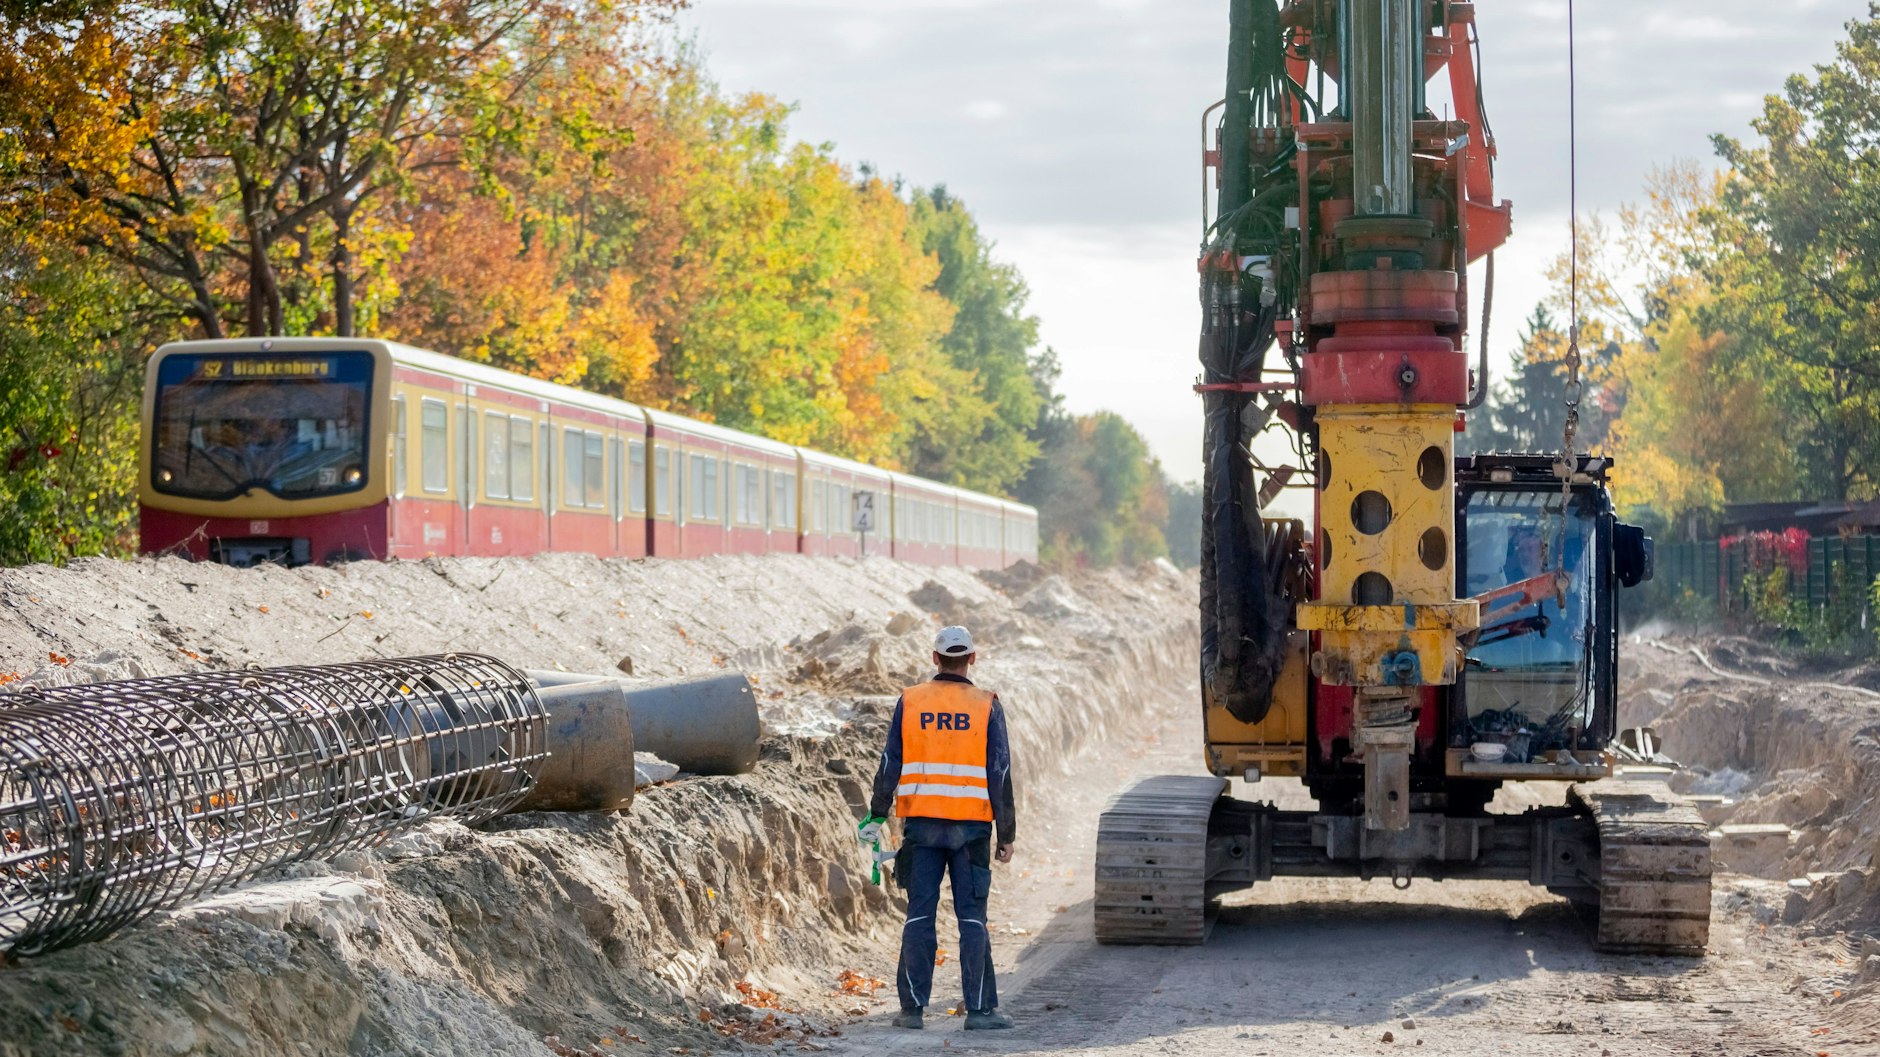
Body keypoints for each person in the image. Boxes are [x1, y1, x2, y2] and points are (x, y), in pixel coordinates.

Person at [858, 625, 1016, 1032]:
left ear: (935, 658)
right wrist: (1007, 833)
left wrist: (877, 812)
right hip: (972, 831)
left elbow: (890, 762)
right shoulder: (986, 705)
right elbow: (998, 773)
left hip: (922, 828)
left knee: (919, 916)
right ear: (972, 659)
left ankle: (911, 1011)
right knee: (972, 919)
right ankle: (980, 1012)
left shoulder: (911, 701)